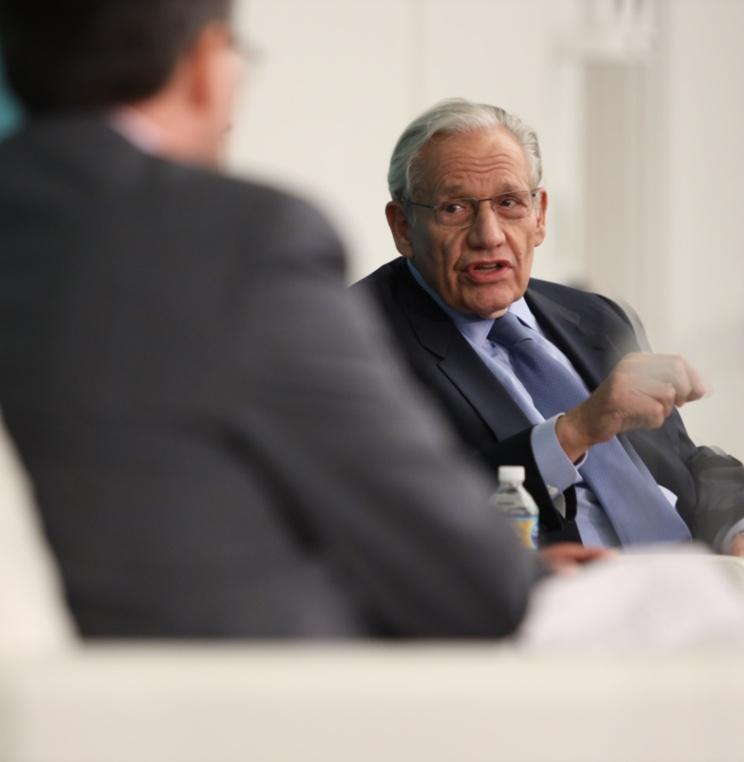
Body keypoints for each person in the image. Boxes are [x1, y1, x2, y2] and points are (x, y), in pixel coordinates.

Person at [0, 3, 558, 638]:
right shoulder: (241, 243)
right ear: (207, 66)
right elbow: (468, 577)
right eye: (455, 207)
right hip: (231, 708)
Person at [355, 98, 744, 553]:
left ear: (539, 214)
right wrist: (575, 432)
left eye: (508, 203)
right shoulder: (356, 340)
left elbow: (684, 463)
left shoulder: (597, 317)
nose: (489, 235)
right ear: (402, 226)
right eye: (455, 208)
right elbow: (401, 518)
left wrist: (735, 527)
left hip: (697, 589)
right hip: (553, 605)